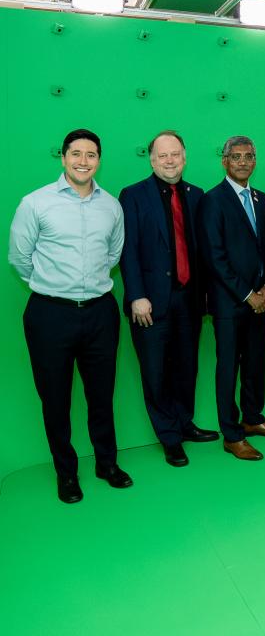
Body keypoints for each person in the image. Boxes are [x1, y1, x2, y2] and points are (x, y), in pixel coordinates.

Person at [9, 128, 130, 503]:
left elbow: (113, 256)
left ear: (98, 160)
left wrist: (85, 288)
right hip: (50, 315)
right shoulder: (35, 203)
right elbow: (19, 259)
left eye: (91, 154)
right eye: (75, 153)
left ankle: (106, 464)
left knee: (101, 394)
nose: (83, 161)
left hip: (99, 313)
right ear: (62, 157)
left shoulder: (111, 205)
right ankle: (66, 473)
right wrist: (53, 288)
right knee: (55, 398)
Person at [118, 130, 217, 468]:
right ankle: (169, 438)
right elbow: (127, 251)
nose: (170, 161)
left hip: (189, 300)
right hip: (150, 303)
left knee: (186, 368)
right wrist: (136, 295)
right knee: (156, 373)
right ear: (151, 159)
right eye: (163, 156)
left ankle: (184, 423)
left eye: (175, 154)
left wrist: (206, 297)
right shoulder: (132, 196)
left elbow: (202, 251)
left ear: (185, 156)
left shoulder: (196, 195)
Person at [197, 135, 265, 461]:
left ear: (255, 160)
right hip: (229, 304)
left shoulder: (261, 199)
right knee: (228, 369)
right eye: (236, 156)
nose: (243, 162)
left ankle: (253, 419)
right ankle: (232, 435)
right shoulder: (213, 200)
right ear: (225, 161)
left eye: (248, 156)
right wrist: (248, 294)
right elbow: (214, 257)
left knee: (254, 363)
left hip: (261, 302)